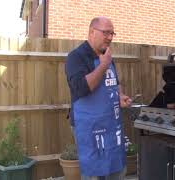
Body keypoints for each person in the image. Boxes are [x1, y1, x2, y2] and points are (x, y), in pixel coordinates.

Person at [65, 16, 132, 180]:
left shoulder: (107, 56)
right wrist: (103, 65)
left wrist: (120, 96)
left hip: (111, 124)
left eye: (112, 33)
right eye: (106, 33)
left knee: (116, 170)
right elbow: (80, 88)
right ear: (92, 32)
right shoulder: (76, 57)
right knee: (95, 173)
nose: (110, 37)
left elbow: (115, 82)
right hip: (89, 127)